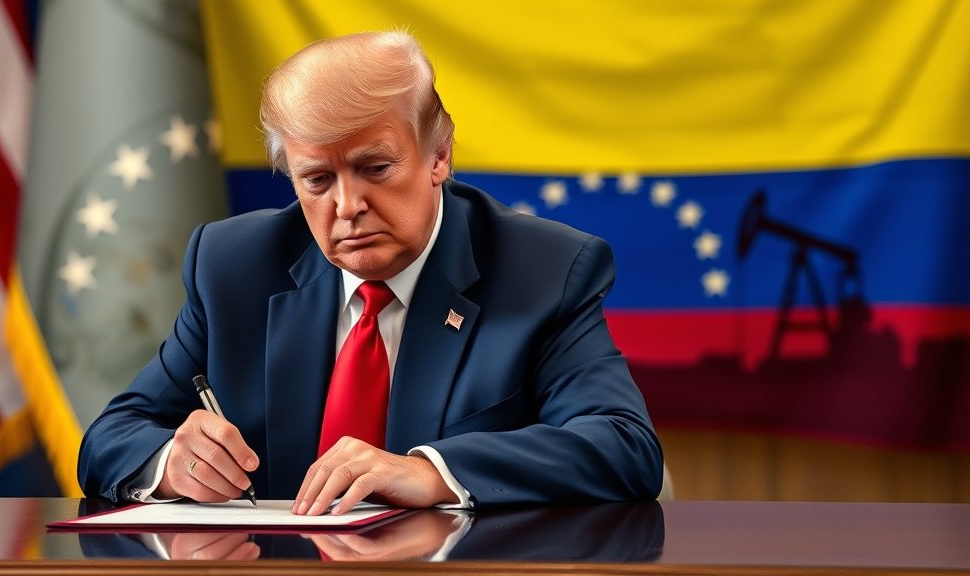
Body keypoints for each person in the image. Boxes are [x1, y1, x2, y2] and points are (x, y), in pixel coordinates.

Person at [78, 30, 663, 514]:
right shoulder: (233, 265)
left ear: (438, 156)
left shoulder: (546, 269)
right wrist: (171, 463)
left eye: (375, 168)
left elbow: (624, 446)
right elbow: (112, 437)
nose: (347, 205)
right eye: (317, 180)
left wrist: (430, 472)